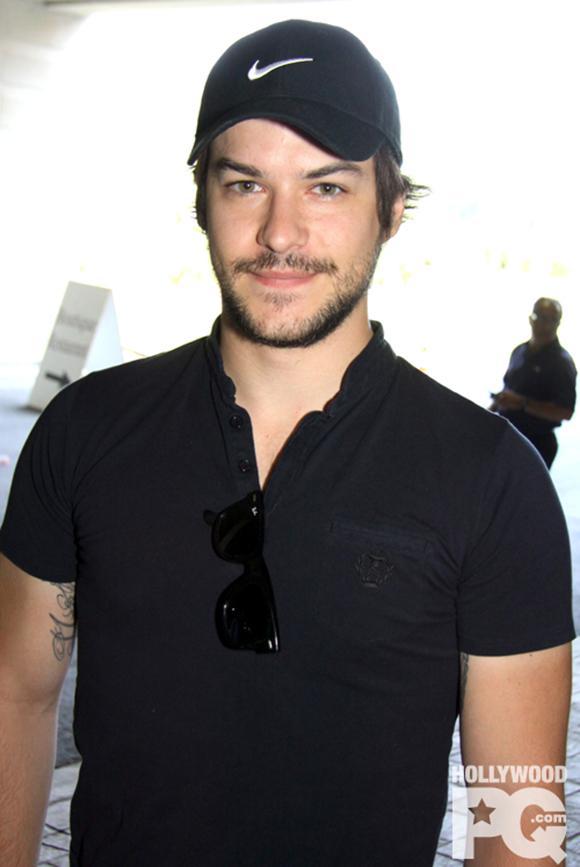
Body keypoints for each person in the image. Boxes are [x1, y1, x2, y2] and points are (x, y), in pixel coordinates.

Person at [0, 19, 575, 867]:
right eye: (245, 184)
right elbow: (15, 697)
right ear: (203, 200)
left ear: (391, 209)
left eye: (326, 187)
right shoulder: (83, 432)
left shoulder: (492, 482)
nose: (279, 232)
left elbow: (517, 822)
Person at [491, 297, 577, 468]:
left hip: (536, 443)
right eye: (541, 318)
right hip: (508, 435)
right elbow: (507, 390)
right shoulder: (520, 351)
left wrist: (523, 404)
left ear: (558, 323)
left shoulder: (561, 362)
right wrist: (490, 411)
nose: (545, 325)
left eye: (552, 320)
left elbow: (565, 411)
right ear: (531, 318)